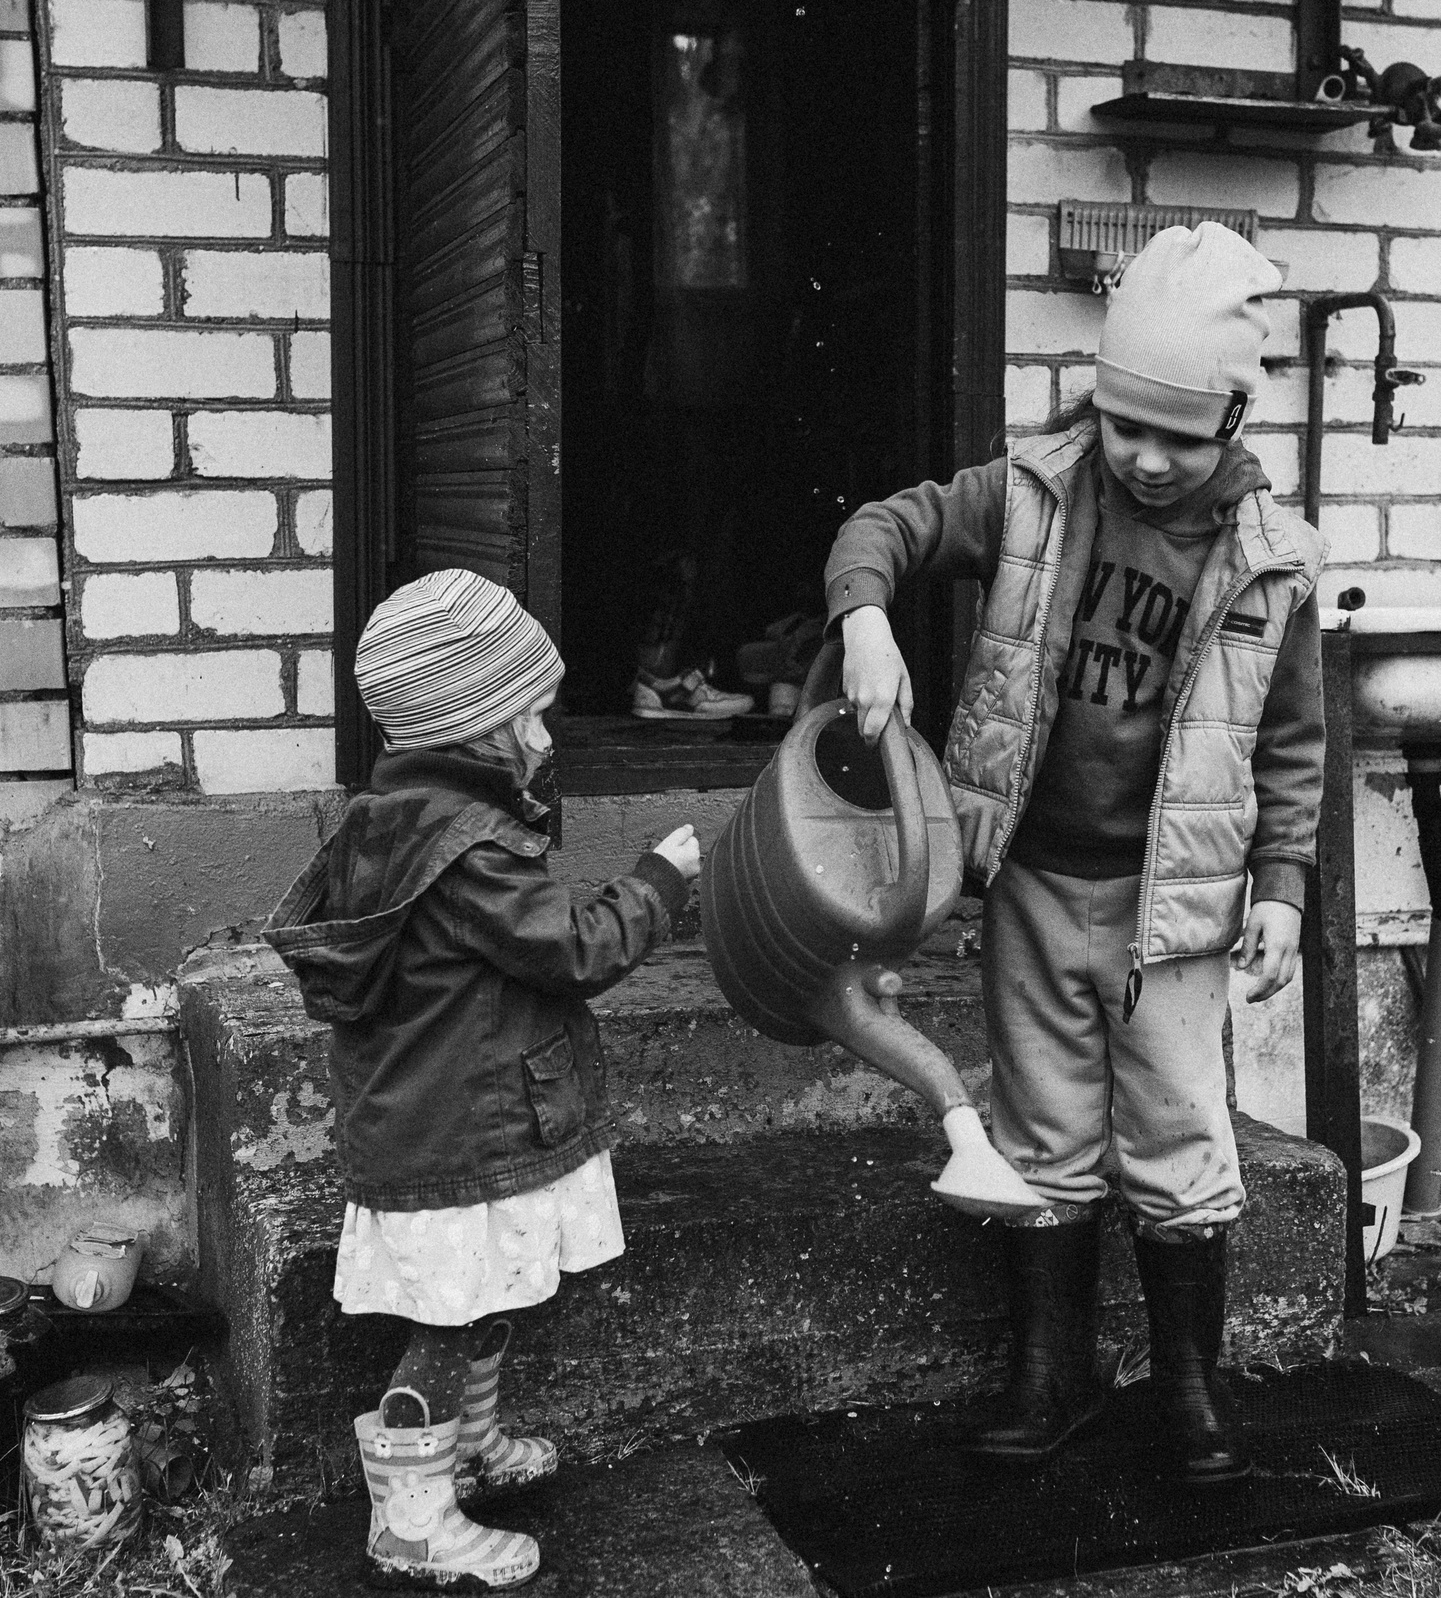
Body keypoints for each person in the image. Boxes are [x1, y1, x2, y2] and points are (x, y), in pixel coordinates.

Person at [822, 222, 1324, 1486]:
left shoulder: (1271, 558)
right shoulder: (1029, 491)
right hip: (1036, 886)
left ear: (1232, 424)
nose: (1146, 459)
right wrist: (868, 618)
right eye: (1124, 426)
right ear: (1095, 401)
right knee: (1041, 1129)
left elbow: (1296, 742)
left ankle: (1189, 1382)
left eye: (1178, 436)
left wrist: (1284, 884)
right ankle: (1052, 1373)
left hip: (1179, 912)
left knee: (1178, 1129)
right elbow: (883, 526)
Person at [265, 569, 701, 1589]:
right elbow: (576, 952)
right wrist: (659, 883)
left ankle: (466, 1444)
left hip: (438, 1120)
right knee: (445, 1325)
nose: (546, 739)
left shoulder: (394, 822)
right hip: (470, 1132)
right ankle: (412, 1523)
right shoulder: (468, 854)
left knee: (478, 1300)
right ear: (466, 731)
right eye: (527, 718)